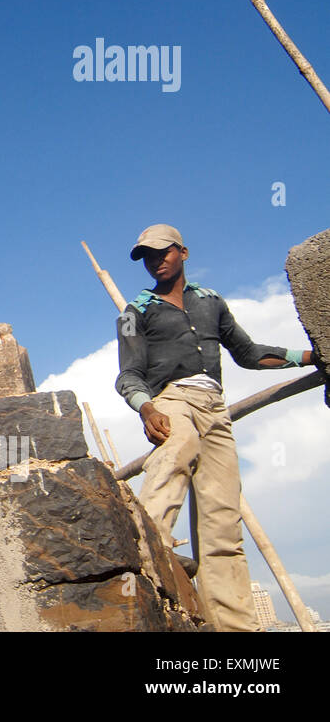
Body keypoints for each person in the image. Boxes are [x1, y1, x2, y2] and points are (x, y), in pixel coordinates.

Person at [114, 224, 318, 631]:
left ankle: (234, 627)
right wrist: (147, 409)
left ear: (183, 252)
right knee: (176, 450)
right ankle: (146, 546)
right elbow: (129, 375)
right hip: (172, 399)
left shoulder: (211, 302)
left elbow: (249, 353)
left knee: (223, 523)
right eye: (147, 257)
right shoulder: (133, 313)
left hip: (216, 409)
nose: (156, 261)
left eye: (163, 252)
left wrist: (312, 355)